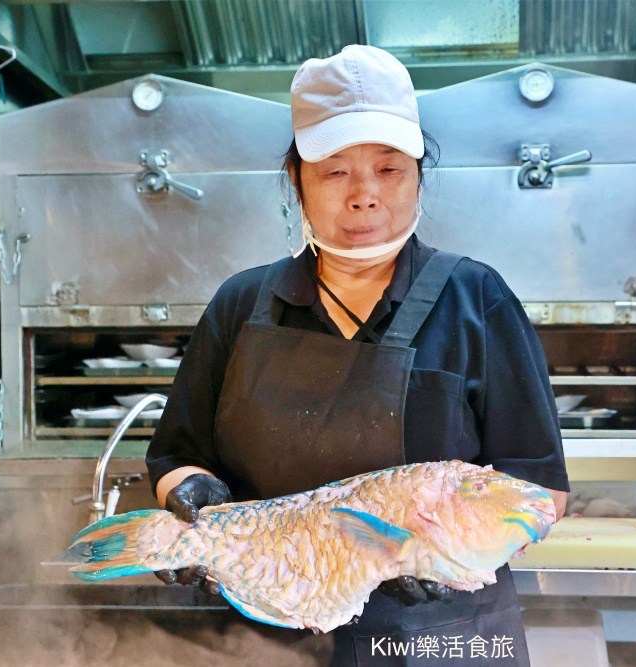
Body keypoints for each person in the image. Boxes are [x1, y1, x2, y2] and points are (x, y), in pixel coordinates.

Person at [146, 44, 569, 666]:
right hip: (264, 630)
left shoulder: (477, 300)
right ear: (298, 182)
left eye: (389, 169)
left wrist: (450, 558)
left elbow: (540, 490)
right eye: (335, 171)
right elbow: (177, 455)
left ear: (420, 173)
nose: (364, 196)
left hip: (437, 637)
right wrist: (189, 496)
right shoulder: (241, 305)